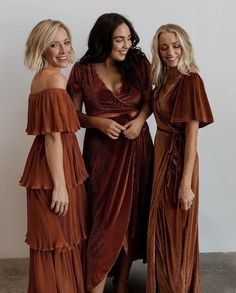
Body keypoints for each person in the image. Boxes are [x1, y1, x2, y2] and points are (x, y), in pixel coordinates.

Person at [67, 12, 153, 293]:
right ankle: (95, 284)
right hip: (101, 153)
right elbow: (70, 115)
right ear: (104, 40)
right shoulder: (82, 70)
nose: (126, 44)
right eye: (119, 39)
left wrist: (139, 122)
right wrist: (97, 122)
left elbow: (151, 103)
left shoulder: (139, 63)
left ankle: (123, 282)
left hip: (136, 147)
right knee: (102, 218)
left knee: (134, 214)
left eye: (129, 38)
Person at [20, 19, 88, 292]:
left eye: (66, 42)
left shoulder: (39, 78)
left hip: (48, 163)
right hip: (55, 168)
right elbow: (52, 137)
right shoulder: (56, 80)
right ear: (42, 48)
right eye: (54, 44)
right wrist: (60, 186)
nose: (63, 50)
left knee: (53, 242)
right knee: (60, 240)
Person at [146, 24, 214, 293]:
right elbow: (148, 109)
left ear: (184, 45)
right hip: (160, 154)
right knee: (161, 226)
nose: (170, 52)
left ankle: (178, 286)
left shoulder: (191, 80)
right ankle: (165, 284)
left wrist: (186, 184)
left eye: (175, 46)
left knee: (178, 226)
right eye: (164, 48)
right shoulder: (163, 81)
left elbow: (193, 136)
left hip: (180, 162)